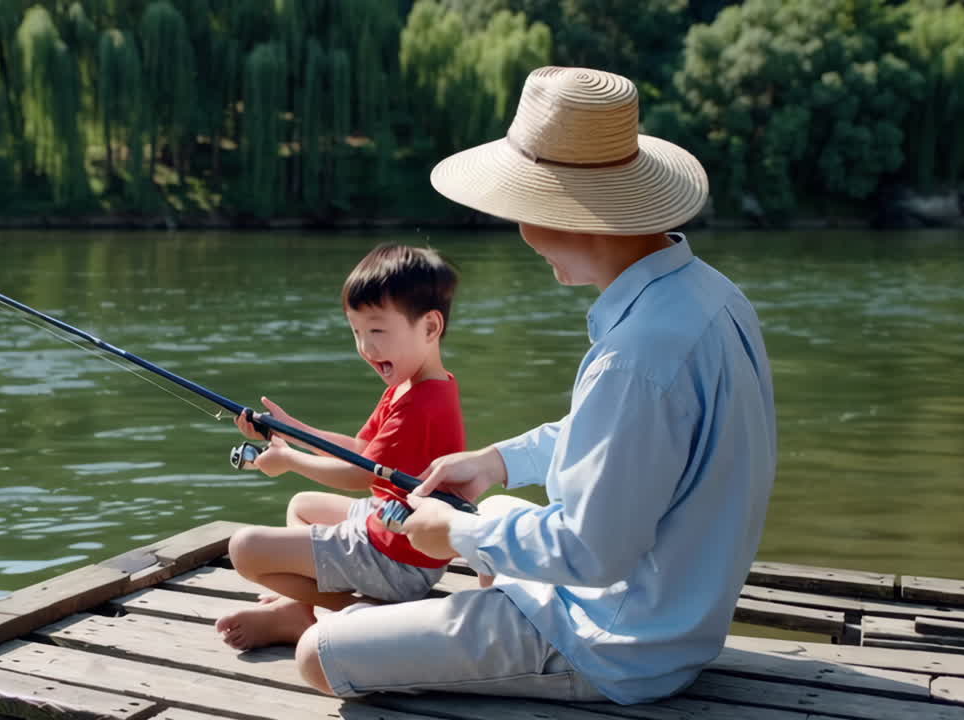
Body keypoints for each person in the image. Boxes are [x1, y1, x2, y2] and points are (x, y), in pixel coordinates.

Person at [291, 67, 777, 705]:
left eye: (521, 209)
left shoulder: (636, 355)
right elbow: (621, 440)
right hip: (673, 612)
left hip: (613, 644)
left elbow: (594, 551)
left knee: (317, 655)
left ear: (566, 213)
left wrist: (456, 536)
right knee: (487, 507)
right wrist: (497, 461)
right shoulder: (708, 296)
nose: (520, 232)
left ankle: (369, 630)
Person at [214, 243, 466, 651]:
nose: (366, 347)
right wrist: (292, 431)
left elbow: (357, 474)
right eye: (357, 332)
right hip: (395, 528)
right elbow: (362, 448)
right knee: (302, 506)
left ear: (430, 327)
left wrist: (291, 460)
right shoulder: (412, 384)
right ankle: (297, 610)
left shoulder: (422, 403)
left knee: (245, 550)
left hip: (400, 559)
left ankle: (365, 607)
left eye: (378, 331)